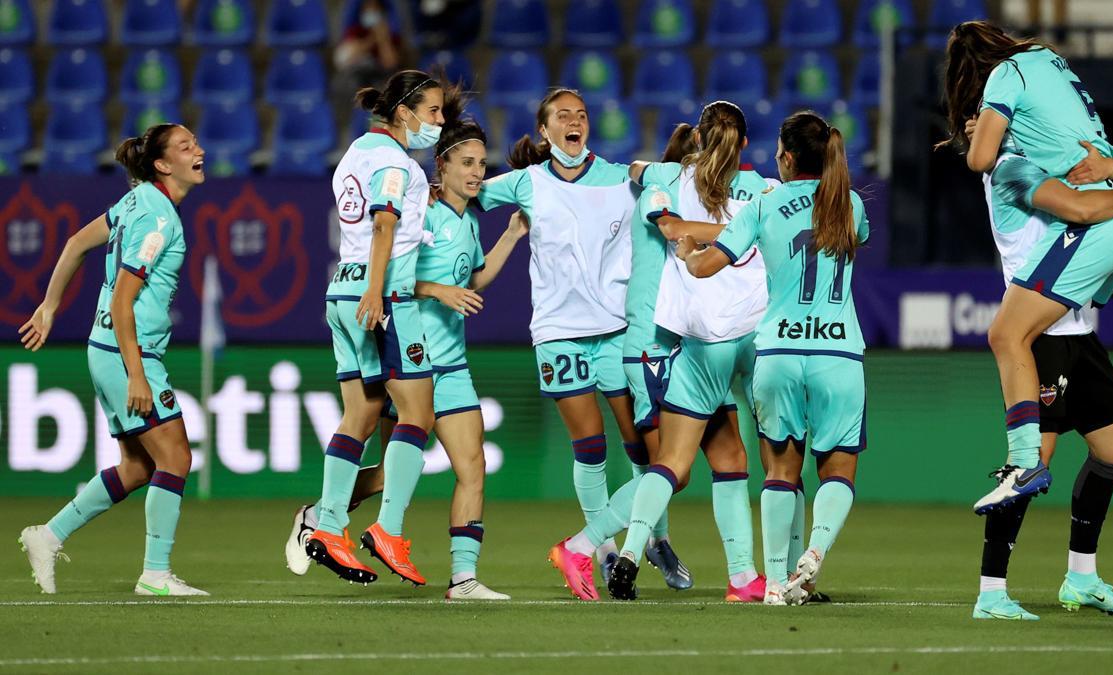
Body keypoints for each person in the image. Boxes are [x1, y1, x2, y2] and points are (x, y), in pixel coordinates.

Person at [285, 94, 527, 600]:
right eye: (466, 163)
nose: (477, 173)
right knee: (397, 455)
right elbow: (399, 275)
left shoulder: (466, 222)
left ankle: (462, 578)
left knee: (470, 465)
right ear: (442, 165)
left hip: (451, 362)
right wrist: (437, 290)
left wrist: (510, 236)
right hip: (411, 347)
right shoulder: (424, 208)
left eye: (482, 164)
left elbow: (474, 279)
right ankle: (329, 518)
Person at [477, 88, 687, 586]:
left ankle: (654, 539)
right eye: (562, 115)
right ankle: (608, 553)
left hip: (617, 332)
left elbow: (670, 185)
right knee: (589, 448)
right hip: (559, 336)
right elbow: (467, 194)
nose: (575, 122)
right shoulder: (525, 182)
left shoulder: (620, 178)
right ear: (544, 130)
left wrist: (674, 161)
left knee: (645, 452)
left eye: (582, 114)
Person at [941, 21, 1113, 513]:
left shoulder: (1006, 81)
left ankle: (1023, 464)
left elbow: (980, 160)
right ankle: (1078, 573)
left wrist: (980, 135)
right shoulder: (1056, 73)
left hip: (1097, 228)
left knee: (1005, 336)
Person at [662, 111, 870, 606]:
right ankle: (814, 553)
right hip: (838, 354)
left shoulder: (763, 204)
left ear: (787, 156)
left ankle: (775, 582)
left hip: (777, 352)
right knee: (837, 473)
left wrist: (690, 249)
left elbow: (707, 267)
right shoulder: (851, 204)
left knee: (780, 472)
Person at [587, 101, 773, 603]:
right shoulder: (759, 190)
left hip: (688, 337)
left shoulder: (665, 180)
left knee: (708, 458)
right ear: (746, 144)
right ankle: (595, 546)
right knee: (683, 464)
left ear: (695, 139)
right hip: (717, 338)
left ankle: (734, 575)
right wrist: (745, 230)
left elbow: (649, 193)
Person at [18, 124, 209, 596]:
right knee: (177, 457)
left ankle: (48, 535)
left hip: (103, 348)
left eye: (195, 142)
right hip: (129, 353)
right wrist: (139, 375)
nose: (199, 151)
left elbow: (74, 244)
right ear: (163, 164)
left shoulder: (136, 200)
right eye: (186, 147)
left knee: (138, 467)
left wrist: (50, 304)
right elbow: (124, 301)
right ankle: (155, 574)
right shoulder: (158, 218)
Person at [971, 141, 1113, 619]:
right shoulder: (1011, 168)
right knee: (1031, 463)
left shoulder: (1062, 151)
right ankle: (991, 593)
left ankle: (1082, 577)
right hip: (1038, 334)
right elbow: (1083, 210)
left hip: (1079, 330)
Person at [302, 70, 447, 587]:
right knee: (419, 413)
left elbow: (376, 220)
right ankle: (388, 528)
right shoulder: (394, 161)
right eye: (432, 111)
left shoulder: (355, 154)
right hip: (380, 297)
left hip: (339, 290)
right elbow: (383, 221)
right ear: (404, 113)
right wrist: (377, 290)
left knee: (360, 414)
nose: (440, 121)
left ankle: (330, 527)